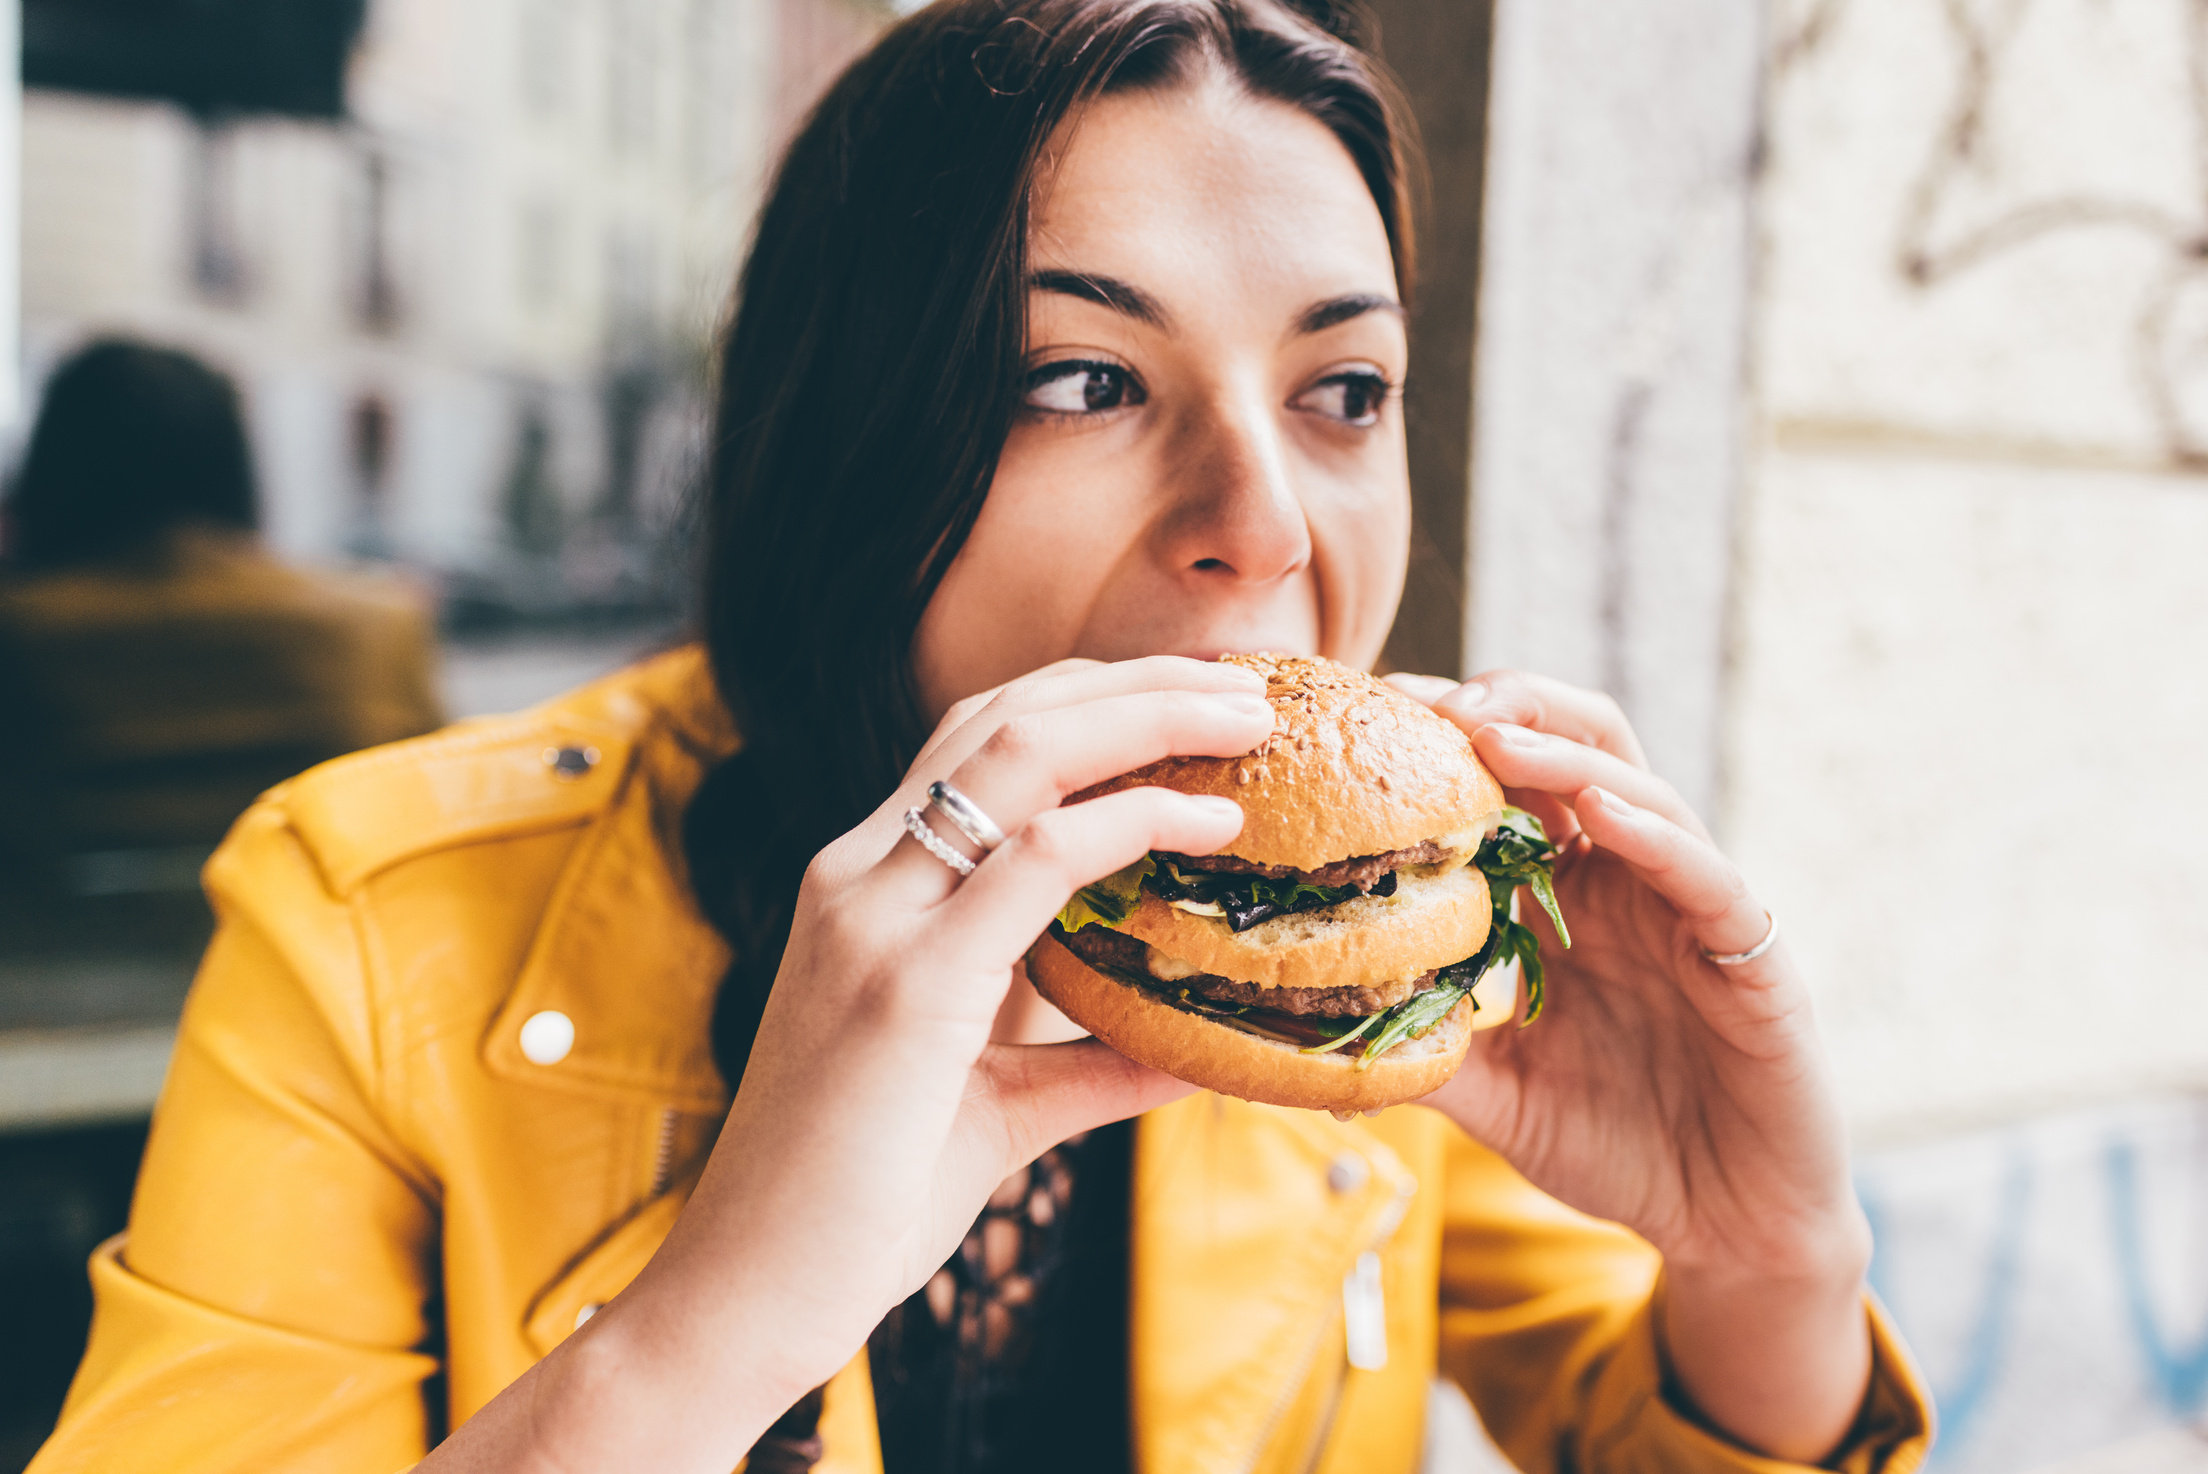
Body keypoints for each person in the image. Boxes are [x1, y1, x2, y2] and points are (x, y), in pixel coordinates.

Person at [30, 4, 1931, 1472]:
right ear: (850, 443)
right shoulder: (365, 910)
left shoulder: (1364, 966)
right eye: (1083, 377)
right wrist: (713, 1324)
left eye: (1344, 389)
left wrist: (1766, 1264)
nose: (1264, 523)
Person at [0, 339, 443, 882]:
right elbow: (432, 823)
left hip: (46, 962)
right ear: (236, 461)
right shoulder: (378, 626)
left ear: (54, 467)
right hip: (309, 958)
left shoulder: (23, 635)